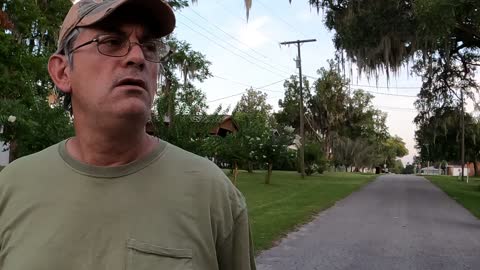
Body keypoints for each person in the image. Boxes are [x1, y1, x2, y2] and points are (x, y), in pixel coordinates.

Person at [0, 0, 256, 269]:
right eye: (111, 42)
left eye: (148, 46)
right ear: (63, 71)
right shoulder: (11, 188)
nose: (137, 57)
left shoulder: (212, 193)